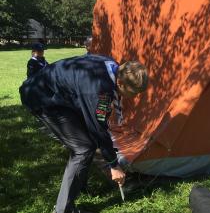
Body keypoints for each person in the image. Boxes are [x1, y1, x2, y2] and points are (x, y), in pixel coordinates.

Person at [19, 55, 148, 213]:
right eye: (133, 93)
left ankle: (78, 186)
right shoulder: (98, 91)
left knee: (87, 143)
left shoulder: (114, 67)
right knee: (83, 148)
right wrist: (114, 165)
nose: (134, 97)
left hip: (59, 94)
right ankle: (63, 210)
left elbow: (97, 123)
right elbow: (98, 129)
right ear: (120, 82)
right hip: (41, 97)